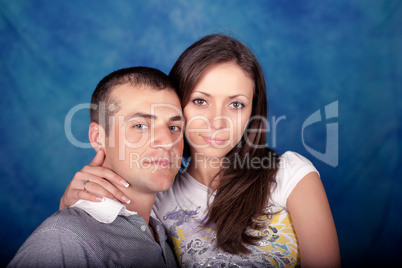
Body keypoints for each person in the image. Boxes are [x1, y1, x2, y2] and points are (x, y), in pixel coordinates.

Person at [59, 34, 341, 267]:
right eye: (200, 101)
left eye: (236, 104)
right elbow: (98, 240)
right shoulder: (157, 195)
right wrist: (69, 202)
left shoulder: (290, 174)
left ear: (253, 112)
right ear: (174, 105)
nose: (217, 122)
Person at [8, 67, 182, 267]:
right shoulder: (64, 239)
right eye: (140, 125)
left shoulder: (163, 232)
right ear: (98, 138)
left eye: (173, 127)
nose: (168, 142)